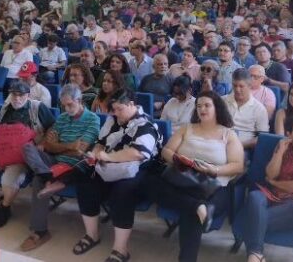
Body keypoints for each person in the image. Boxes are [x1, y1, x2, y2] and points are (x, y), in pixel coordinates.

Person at [143, 91, 244, 262]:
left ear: (217, 108)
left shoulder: (228, 134)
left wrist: (214, 169)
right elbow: (166, 151)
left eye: (207, 105)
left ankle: (196, 211)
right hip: (183, 178)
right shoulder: (186, 128)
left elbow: (238, 165)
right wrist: (178, 159)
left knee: (191, 215)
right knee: (148, 181)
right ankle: (198, 206)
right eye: (198, 106)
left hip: (213, 185)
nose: (202, 109)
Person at [71, 90, 160, 262]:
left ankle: (120, 249)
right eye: (114, 110)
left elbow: (138, 154)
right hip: (111, 166)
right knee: (85, 182)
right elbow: (100, 143)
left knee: (122, 192)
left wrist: (109, 157)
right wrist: (96, 154)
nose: (116, 113)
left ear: (132, 105)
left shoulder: (146, 124)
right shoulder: (113, 120)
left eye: (120, 109)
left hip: (141, 169)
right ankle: (92, 235)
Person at [19, 84, 100, 251]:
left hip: (72, 166)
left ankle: (40, 232)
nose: (67, 108)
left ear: (79, 100)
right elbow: (48, 144)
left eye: (70, 104)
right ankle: (46, 175)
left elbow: (80, 151)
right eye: (64, 105)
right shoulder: (63, 117)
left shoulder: (93, 119)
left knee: (37, 180)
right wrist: (68, 145)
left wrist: (58, 145)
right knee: (27, 147)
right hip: (52, 162)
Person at [0, 81, 55, 228]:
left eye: (21, 95)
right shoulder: (6, 108)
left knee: (9, 179)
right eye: (14, 94)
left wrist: (43, 143)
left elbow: (53, 127)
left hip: (23, 156)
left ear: (28, 95)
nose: (17, 98)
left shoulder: (37, 107)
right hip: (1, 150)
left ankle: (5, 208)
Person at [244, 115, 293, 262]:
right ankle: (256, 254)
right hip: (273, 196)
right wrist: (280, 151)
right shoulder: (283, 148)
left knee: (256, 219)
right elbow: (270, 173)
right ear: (289, 135)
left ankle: (254, 254)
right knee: (255, 196)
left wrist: (274, 183)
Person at [222, 69, 269, 146]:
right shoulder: (222, 101)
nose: (237, 89)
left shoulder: (259, 109)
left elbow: (262, 137)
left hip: (244, 146)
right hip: (220, 142)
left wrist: (238, 145)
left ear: (250, 86)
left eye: (241, 86)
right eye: (235, 85)